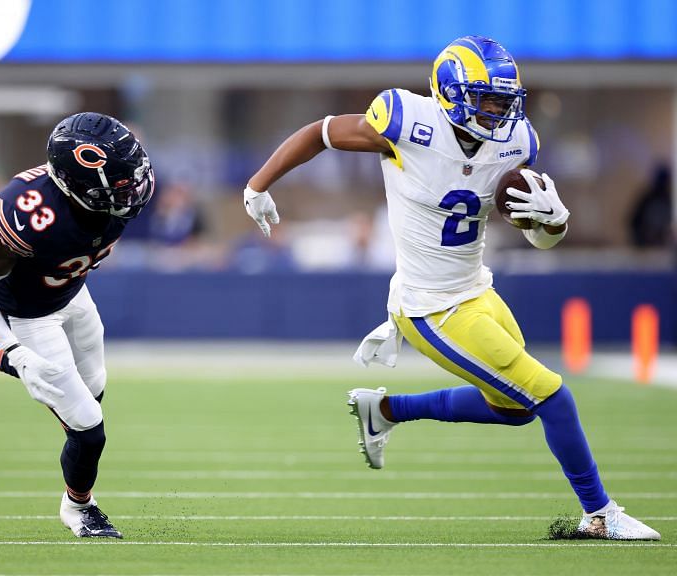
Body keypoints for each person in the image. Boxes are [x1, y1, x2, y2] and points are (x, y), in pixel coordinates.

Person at [243, 36, 660, 540]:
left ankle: (388, 409)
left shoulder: (517, 141)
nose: (497, 110)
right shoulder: (404, 121)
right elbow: (321, 133)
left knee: (515, 409)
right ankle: (600, 513)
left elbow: (540, 237)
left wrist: (554, 224)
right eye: (486, 98)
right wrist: (258, 185)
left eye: (504, 100)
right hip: (429, 307)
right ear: (451, 92)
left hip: (478, 290)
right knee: (553, 396)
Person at [0, 112, 155, 539]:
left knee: (93, 393)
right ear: (77, 185)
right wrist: (12, 347)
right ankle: (79, 508)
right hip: (30, 316)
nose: (133, 186)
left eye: (132, 173)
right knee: (87, 428)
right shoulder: (32, 211)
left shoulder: (111, 194)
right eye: (120, 181)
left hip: (73, 295)